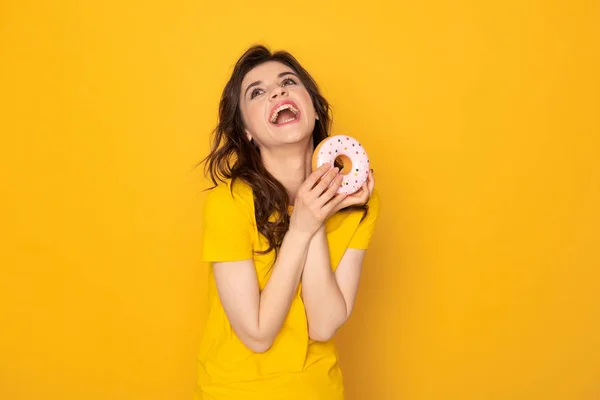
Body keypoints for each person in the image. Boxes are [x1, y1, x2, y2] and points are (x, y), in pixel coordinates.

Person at [195, 44, 380, 400]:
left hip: (318, 389)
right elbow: (258, 334)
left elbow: (324, 325)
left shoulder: (360, 201)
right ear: (246, 130)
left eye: (288, 82)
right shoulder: (227, 204)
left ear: (312, 107)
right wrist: (304, 226)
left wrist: (316, 211)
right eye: (258, 92)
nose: (277, 91)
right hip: (235, 390)